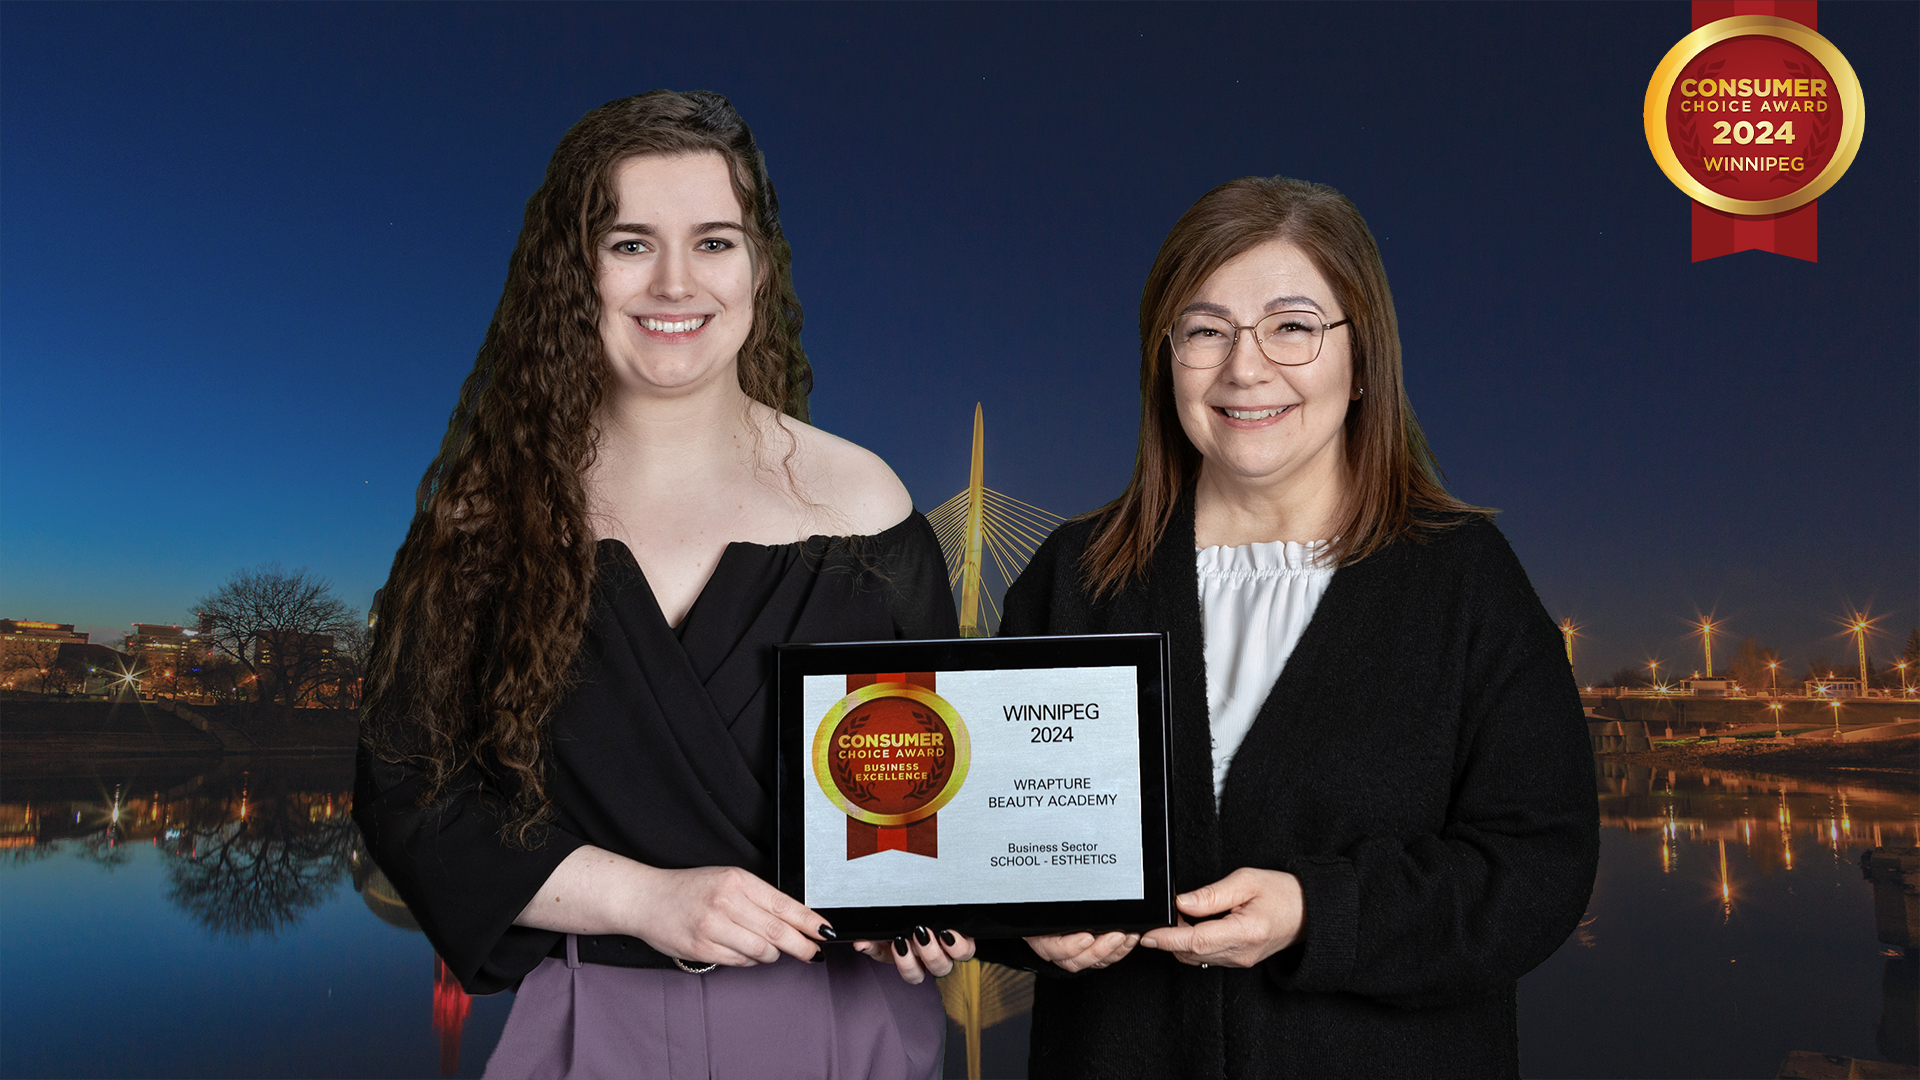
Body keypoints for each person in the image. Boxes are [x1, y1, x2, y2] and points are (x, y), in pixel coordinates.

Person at [351, 90, 971, 1080]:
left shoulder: (867, 503)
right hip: (590, 1026)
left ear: (759, 269)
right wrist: (646, 901)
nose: (676, 282)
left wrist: (944, 903)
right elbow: (409, 799)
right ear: (573, 271)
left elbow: (929, 790)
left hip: (847, 1025)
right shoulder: (485, 518)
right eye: (630, 243)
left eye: (715, 242)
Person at [990, 176, 1599, 1079]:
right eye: (1205, 331)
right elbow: (992, 844)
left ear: (1364, 359)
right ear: (1166, 360)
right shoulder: (1075, 577)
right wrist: (1020, 921)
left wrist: (1322, 911)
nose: (1245, 368)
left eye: (1293, 325)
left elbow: (1538, 871)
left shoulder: (1464, 581)